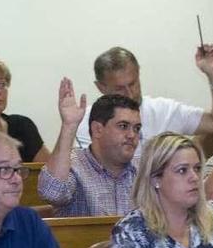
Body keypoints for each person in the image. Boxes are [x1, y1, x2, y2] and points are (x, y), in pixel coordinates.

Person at [75, 45, 213, 156]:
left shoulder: (164, 111)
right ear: (101, 87)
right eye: (119, 89)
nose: (129, 94)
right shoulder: (86, 122)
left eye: (133, 84)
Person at [38, 78, 141, 216]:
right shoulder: (74, 166)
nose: (131, 135)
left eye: (136, 128)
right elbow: (52, 193)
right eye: (123, 126)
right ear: (98, 129)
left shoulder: (144, 171)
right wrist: (69, 126)